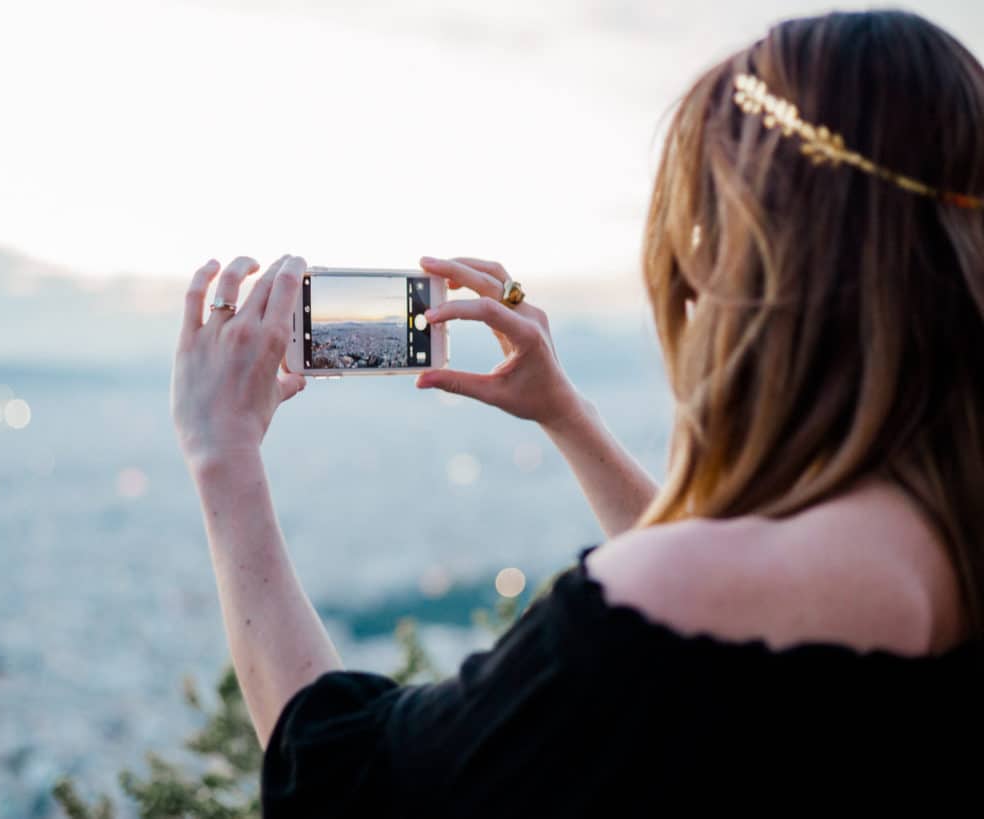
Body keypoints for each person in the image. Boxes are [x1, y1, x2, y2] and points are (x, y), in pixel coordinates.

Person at [171, 9, 984, 816]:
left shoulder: (698, 591)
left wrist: (225, 460)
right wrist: (568, 416)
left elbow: (349, 781)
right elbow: (719, 648)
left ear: (752, 268)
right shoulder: (939, 542)